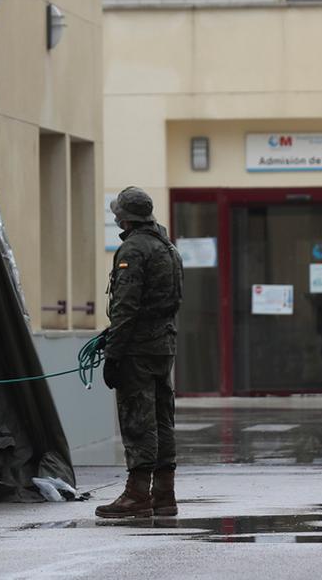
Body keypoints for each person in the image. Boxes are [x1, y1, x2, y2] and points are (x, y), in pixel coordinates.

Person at [96, 186, 184, 520]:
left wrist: (113, 354)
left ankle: (137, 495)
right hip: (164, 346)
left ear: (125, 217)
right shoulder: (168, 248)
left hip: (138, 349)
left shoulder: (133, 249)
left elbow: (126, 308)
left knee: (138, 421)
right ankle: (165, 495)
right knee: (162, 421)